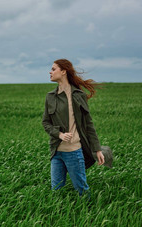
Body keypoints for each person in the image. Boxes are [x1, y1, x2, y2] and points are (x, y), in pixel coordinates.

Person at [42, 59, 105, 197]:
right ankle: (59, 216)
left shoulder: (78, 95)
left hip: (74, 152)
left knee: (81, 189)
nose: (50, 72)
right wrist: (59, 134)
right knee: (56, 191)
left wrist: (97, 149)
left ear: (63, 71)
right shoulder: (50, 97)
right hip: (56, 152)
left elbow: (88, 124)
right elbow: (46, 122)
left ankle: (89, 215)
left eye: (53, 69)